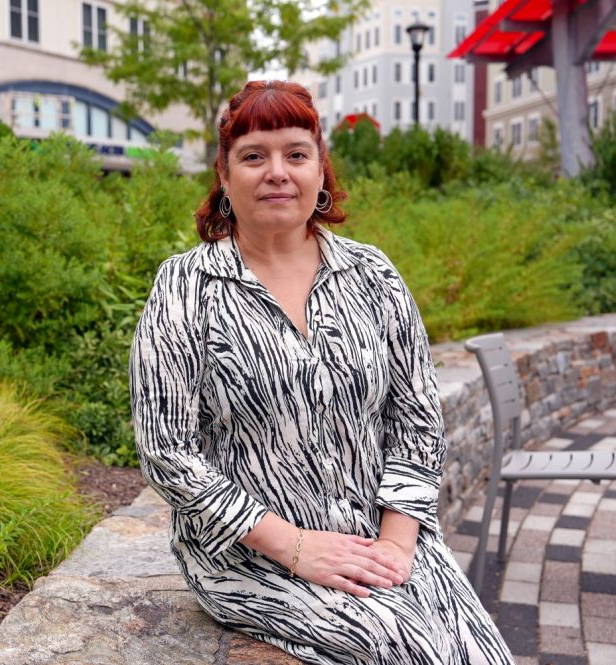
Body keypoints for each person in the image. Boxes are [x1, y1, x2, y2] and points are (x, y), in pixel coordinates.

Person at [128, 80, 514, 665]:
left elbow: (417, 417)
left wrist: (396, 543)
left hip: (377, 533)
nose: (277, 172)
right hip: (250, 553)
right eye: (254, 156)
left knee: (476, 647)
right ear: (225, 177)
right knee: (397, 642)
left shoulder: (372, 273)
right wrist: (296, 546)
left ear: (320, 172)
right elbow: (167, 451)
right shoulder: (184, 287)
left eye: (296, 154)